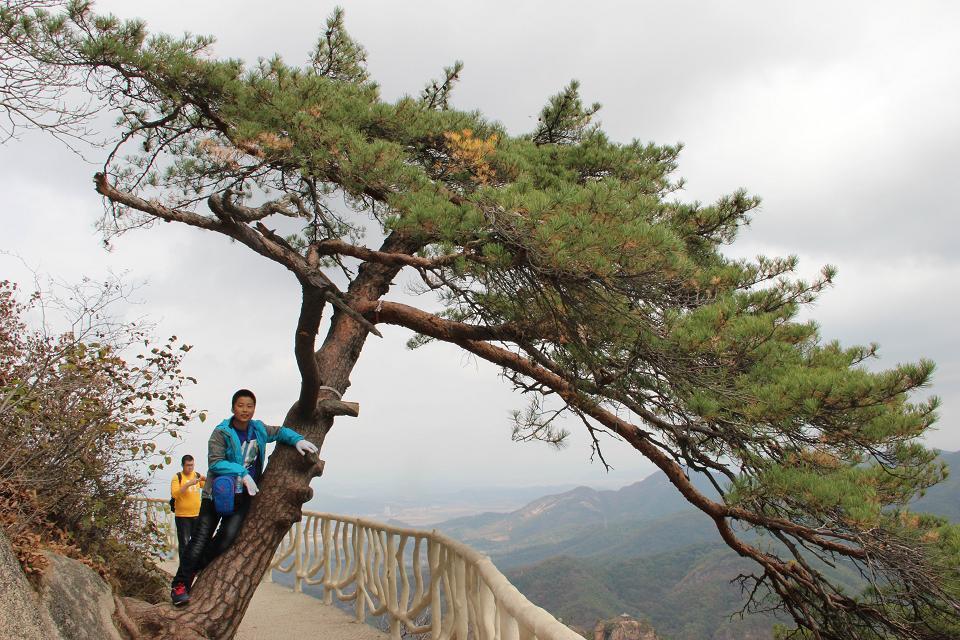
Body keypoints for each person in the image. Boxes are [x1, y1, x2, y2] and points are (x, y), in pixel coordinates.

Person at [170, 388, 318, 606]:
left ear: (254, 408)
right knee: (200, 539)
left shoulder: (257, 429)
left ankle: (194, 567)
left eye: (249, 406)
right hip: (216, 495)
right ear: (233, 408)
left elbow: (279, 432)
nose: (245, 410)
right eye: (241, 405)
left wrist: (297, 440)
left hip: (242, 497)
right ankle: (179, 585)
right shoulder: (222, 432)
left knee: (226, 538)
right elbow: (216, 462)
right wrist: (242, 473)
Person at [170, 454, 205, 562]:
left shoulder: (197, 475)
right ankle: (183, 567)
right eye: (188, 465)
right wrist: (188, 484)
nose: (190, 467)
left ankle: (195, 565)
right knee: (184, 543)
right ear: (183, 465)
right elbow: (175, 494)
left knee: (197, 542)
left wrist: (207, 478)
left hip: (196, 514)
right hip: (182, 516)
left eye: (192, 465)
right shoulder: (178, 477)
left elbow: (207, 484)